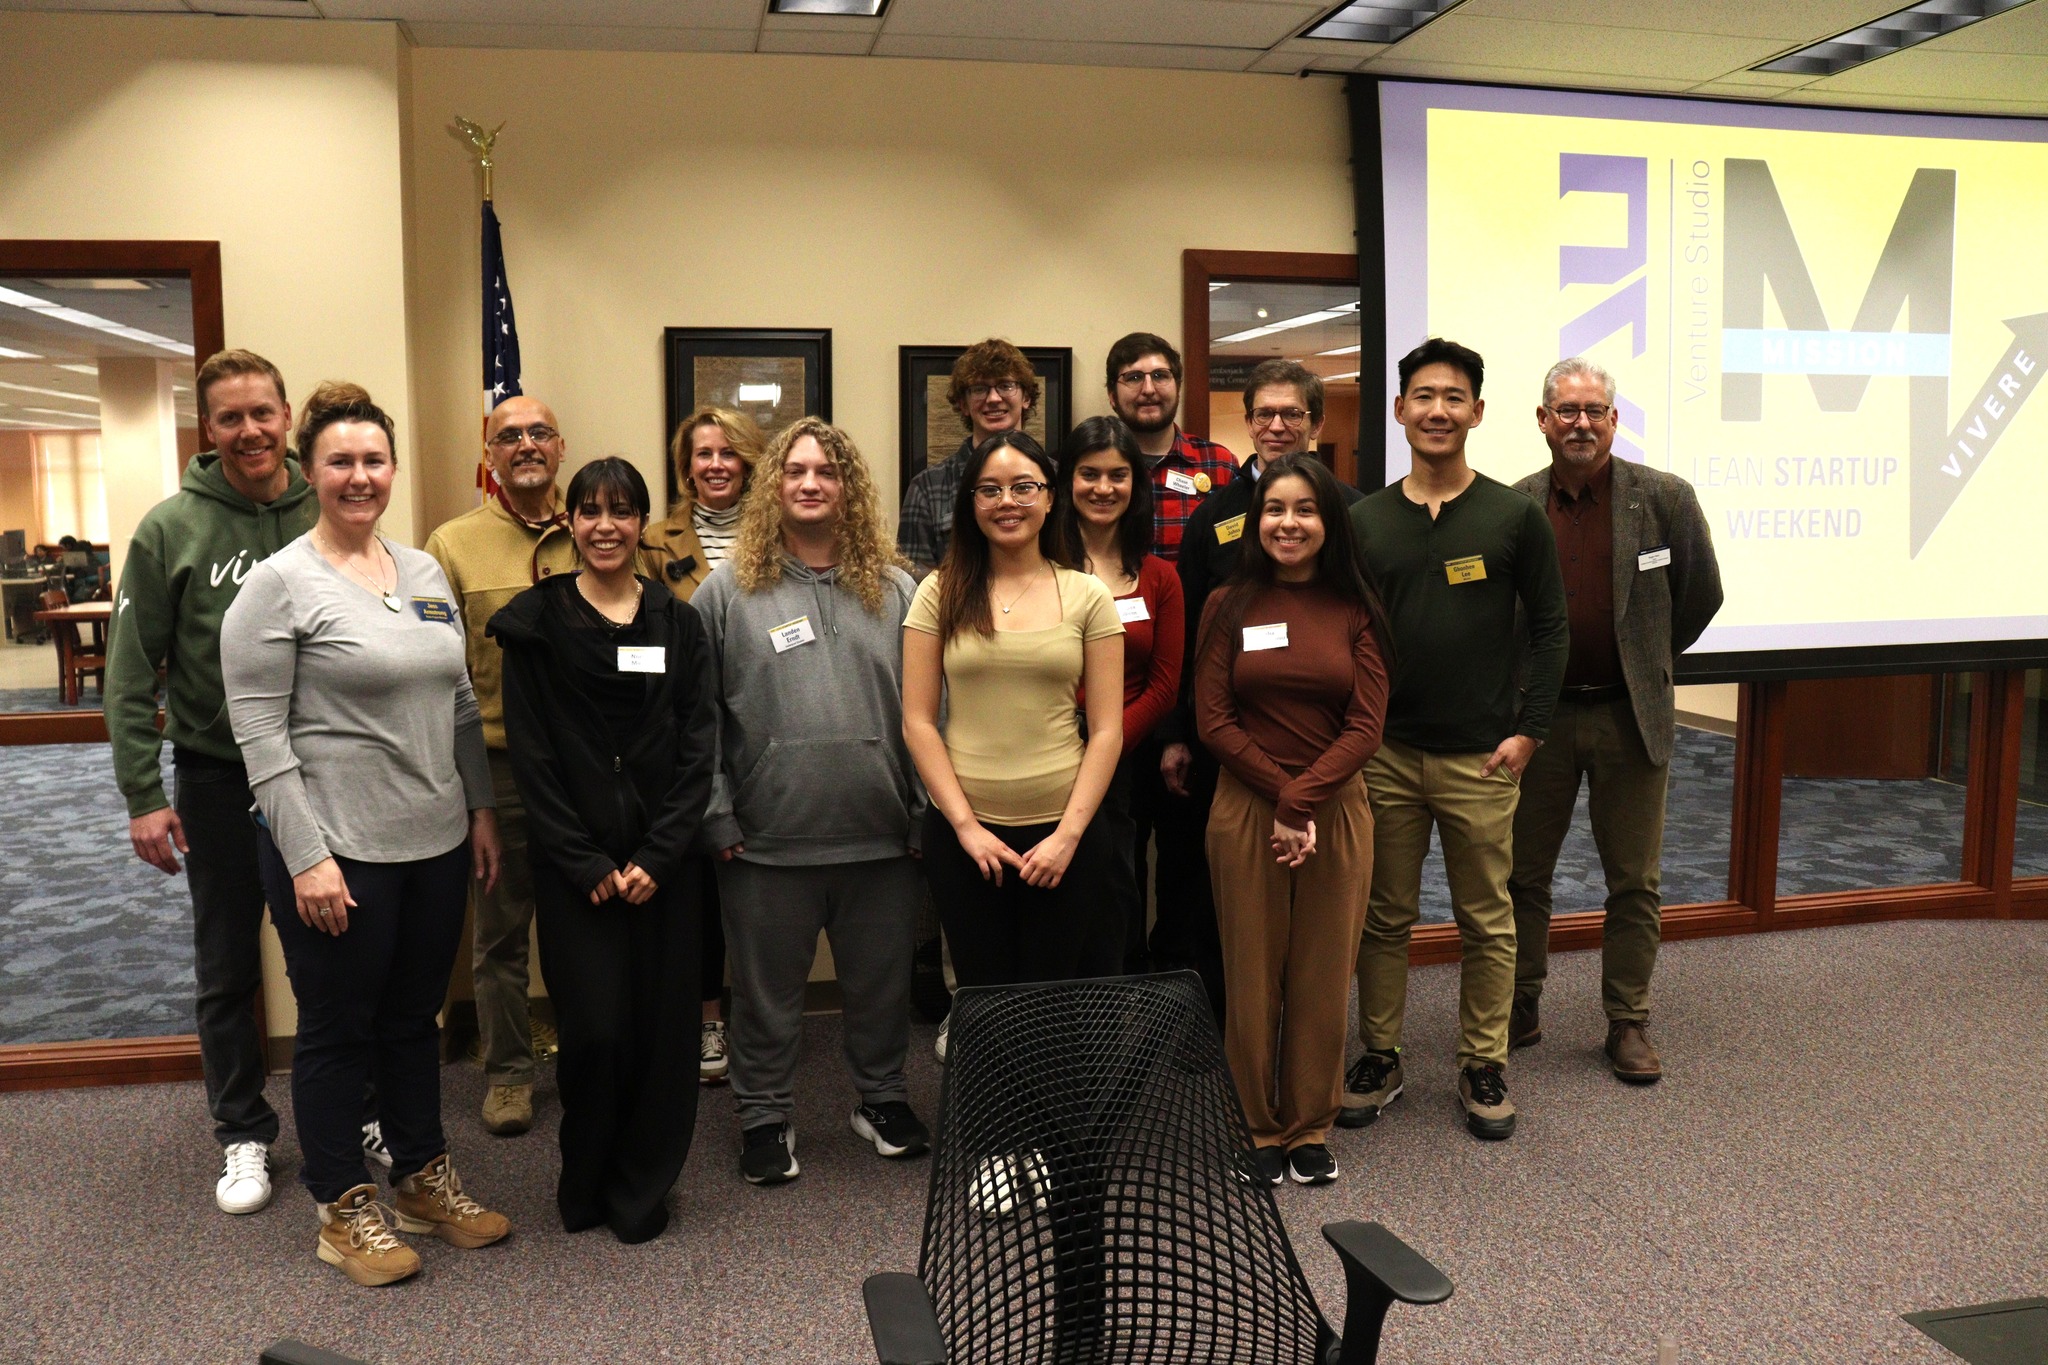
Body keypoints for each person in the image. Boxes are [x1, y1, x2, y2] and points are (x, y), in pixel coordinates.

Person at [223, 395, 510, 1286]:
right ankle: (342, 1204)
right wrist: (306, 855)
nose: (360, 477)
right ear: (310, 471)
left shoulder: (422, 569)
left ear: (393, 469)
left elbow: (460, 703)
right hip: (335, 851)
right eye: (341, 461)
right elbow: (259, 734)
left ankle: (422, 1175)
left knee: (412, 1022)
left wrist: (481, 809)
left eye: (375, 461)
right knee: (338, 1030)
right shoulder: (279, 583)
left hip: (432, 843)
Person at [106, 348, 316, 1216]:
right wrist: (143, 795)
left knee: (334, 954)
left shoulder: (330, 505)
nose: (249, 431)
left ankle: (361, 1107)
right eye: (229, 417)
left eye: (262, 412)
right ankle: (242, 1132)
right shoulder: (170, 528)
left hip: (322, 775)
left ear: (286, 412)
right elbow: (129, 671)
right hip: (220, 779)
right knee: (228, 962)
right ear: (209, 429)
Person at [694, 417, 930, 1187]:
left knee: (880, 984)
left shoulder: (897, 589)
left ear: (848, 487)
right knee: (764, 994)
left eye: (826, 471)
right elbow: (695, 718)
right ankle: (763, 1113)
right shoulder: (727, 591)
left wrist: (925, 808)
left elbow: (933, 709)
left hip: (883, 837)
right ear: (775, 484)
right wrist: (717, 810)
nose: (809, 482)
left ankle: (881, 1099)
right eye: (795, 470)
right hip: (766, 840)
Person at [490, 456, 718, 1243]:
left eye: (622, 511)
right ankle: (586, 1177)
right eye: (589, 511)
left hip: (665, 869)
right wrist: (584, 861)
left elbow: (699, 748)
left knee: (660, 1033)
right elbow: (533, 751)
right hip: (575, 868)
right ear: (570, 522)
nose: (606, 526)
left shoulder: (677, 622)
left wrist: (659, 855)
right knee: (593, 1032)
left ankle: (643, 1185)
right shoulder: (534, 622)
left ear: (642, 522)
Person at [1346, 339, 1569, 1142]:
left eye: (1454, 397)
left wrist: (1530, 731)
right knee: (1383, 915)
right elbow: (1344, 633)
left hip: (1483, 754)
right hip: (1388, 755)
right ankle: (1380, 1052)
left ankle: (1483, 1060)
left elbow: (1550, 629)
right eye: (1423, 395)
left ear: (1477, 411)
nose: (1437, 409)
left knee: (1488, 917)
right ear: (1400, 409)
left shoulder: (1513, 515)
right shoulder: (1364, 520)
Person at [1507, 358, 1723, 1083]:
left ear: (1614, 420)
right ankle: (1519, 1003)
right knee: (1521, 876)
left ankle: (1627, 1021)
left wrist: (1644, 657)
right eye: (1566, 410)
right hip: (1541, 723)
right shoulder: (1515, 507)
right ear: (1542, 420)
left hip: (1633, 718)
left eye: (1595, 410)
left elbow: (1700, 597)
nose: (1581, 422)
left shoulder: (1664, 499)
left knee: (1634, 881)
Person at [1196, 454, 1389, 1187]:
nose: (1288, 523)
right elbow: (1212, 720)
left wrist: (1302, 800)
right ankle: (1257, 1123)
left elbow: (1366, 725)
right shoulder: (1228, 604)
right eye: (1275, 508)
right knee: (1250, 973)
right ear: (1258, 519)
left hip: (1334, 809)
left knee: (1321, 971)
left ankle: (1310, 1124)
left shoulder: (1357, 606)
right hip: (1248, 808)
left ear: (1328, 520)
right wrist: (1283, 797)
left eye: (1305, 509)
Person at [1165, 359, 1363, 1013]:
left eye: (1292, 414)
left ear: (1316, 422)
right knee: (1222, 902)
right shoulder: (1214, 516)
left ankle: (1310, 1041)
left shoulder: (1355, 513)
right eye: (1264, 414)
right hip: (1230, 753)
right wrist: (1182, 734)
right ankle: (1228, 1027)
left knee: (1323, 917)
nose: (1277, 426)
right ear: (1248, 422)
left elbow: (1367, 631)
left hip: (1329, 754)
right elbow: (1188, 626)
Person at [902, 431, 1124, 987]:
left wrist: (1068, 837)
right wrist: (965, 828)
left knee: (1054, 1002)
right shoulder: (939, 591)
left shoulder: (1087, 594)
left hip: (1065, 836)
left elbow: (1106, 730)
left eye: (1024, 487)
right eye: (990, 489)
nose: (1007, 502)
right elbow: (918, 722)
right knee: (986, 1001)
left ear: (1050, 499)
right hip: (966, 840)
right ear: (970, 504)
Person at [424, 395, 578, 1138]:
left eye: (538, 432)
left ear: (560, 447)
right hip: (501, 767)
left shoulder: (596, 526)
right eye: (508, 435)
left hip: (587, 770)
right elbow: (444, 681)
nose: (525, 444)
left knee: (589, 926)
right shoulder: (450, 546)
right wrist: (475, 798)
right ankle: (510, 1073)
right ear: (489, 454)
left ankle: (588, 1060)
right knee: (500, 936)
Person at [1100, 333, 1233, 980]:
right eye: (1132, 377)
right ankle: (1123, 990)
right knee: (1116, 862)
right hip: (1109, 700)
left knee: (1186, 863)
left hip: (1193, 698)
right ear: (1112, 391)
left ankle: (1181, 990)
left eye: (1158, 375)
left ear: (1178, 383)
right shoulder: (1097, 463)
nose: (1147, 387)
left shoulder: (1220, 465)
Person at [640, 405, 765, 1089]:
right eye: (702, 453)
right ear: (686, 464)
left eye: (728, 451)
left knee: (759, 884)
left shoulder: (781, 534)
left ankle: (763, 1018)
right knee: (698, 889)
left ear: (748, 459)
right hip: (684, 729)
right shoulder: (656, 539)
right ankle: (709, 1018)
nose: (715, 464)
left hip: (761, 726)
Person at [1052, 415, 1183, 973]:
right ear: (1067, 482)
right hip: (1041, 752)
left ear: (1136, 485)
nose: (1103, 488)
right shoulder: (1037, 566)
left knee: (1112, 893)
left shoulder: (1159, 577)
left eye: (1118, 475)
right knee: (1049, 892)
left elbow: (1166, 683)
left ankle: (1111, 1027)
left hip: (1122, 760)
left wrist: (1107, 745)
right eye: (1089, 474)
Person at [896, 339, 1039, 577]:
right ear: (963, 404)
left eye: (1006, 385)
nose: (993, 398)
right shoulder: (927, 488)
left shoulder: (1058, 476)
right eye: (979, 389)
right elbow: (912, 585)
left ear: (1026, 398)